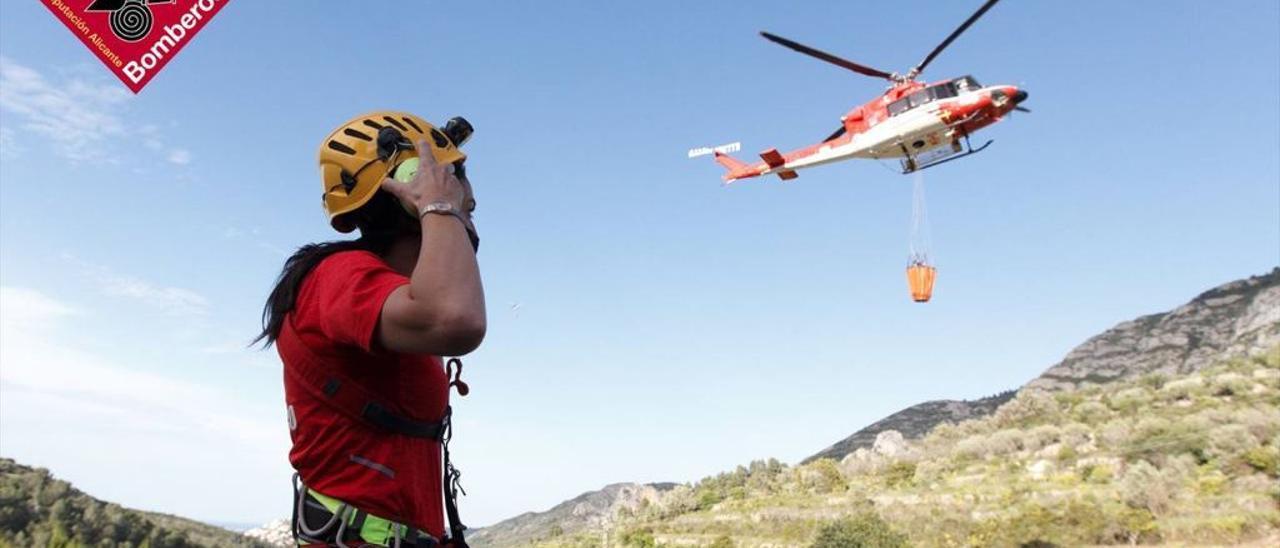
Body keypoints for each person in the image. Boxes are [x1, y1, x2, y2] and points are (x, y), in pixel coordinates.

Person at [255, 111, 486, 548]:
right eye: (466, 207)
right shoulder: (337, 276)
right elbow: (456, 319)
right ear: (410, 193)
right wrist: (441, 206)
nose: (469, 225)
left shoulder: (393, 301)